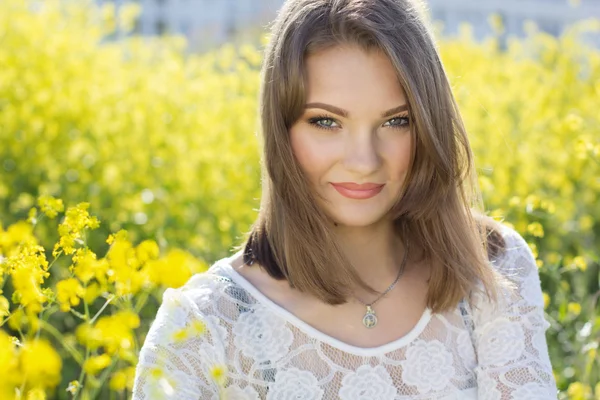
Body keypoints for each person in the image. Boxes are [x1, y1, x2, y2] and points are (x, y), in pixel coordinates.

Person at [132, 0, 558, 398]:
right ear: (281, 130)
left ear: (427, 125)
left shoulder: (492, 269)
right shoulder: (201, 330)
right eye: (326, 122)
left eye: (396, 121)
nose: (363, 161)